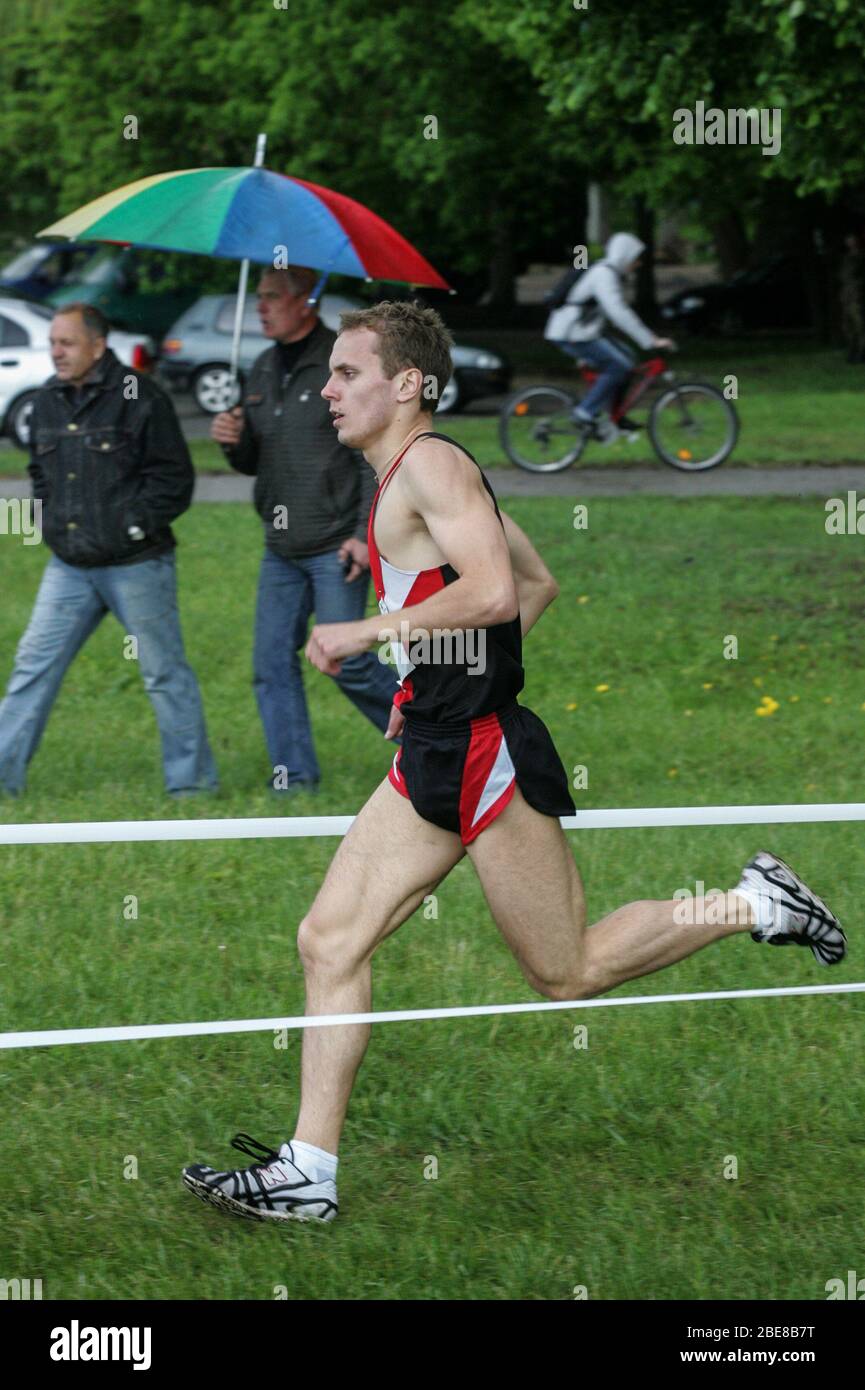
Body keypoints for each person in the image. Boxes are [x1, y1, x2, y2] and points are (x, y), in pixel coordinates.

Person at [182, 300, 845, 1224]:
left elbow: (496, 592)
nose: (328, 389)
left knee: (564, 971)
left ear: (407, 383)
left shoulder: (435, 465)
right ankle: (308, 1172)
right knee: (327, 940)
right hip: (431, 749)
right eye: (329, 373)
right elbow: (536, 585)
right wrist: (427, 683)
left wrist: (372, 631)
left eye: (346, 373)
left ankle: (754, 902)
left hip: (485, 755)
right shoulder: (399, 478)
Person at [0, 303, 217, 798]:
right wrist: (52, 520)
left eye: (67, 343)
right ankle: (2, 780)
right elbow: (39, 470)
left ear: (98, 346)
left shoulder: (139, 396)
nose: (56, 352)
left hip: (136, 564)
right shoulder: (48, 399)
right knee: (33, 667)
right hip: (69, 565)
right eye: (53, 342)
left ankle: (192, 788)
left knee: (163, 672)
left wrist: (132, 528)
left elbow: (173, 480)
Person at [212, 266, 399, 796]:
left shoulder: (340, 366)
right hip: (280, 549)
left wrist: (366, 534)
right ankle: (293, 781)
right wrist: (233, 440)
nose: (261, 308)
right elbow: (257, 460)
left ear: (305, 303)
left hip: (335, 544)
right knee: (271, 665)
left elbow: (372, 451)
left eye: (272, 298)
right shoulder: (264, 367)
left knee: (348, 661)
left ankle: (437, 744)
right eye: (261, 298)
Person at [544, 232, 675, 441]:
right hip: (572, 334)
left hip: (584, 332)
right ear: (625, 256)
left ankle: (616, 416)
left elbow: (614, 314)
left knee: (628, 359)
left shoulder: (607, 272)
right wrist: (650, 339)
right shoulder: (604, 274)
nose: (639, 264)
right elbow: (618, 312)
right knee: (619, 366)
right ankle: (584, 412)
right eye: (636, 259)